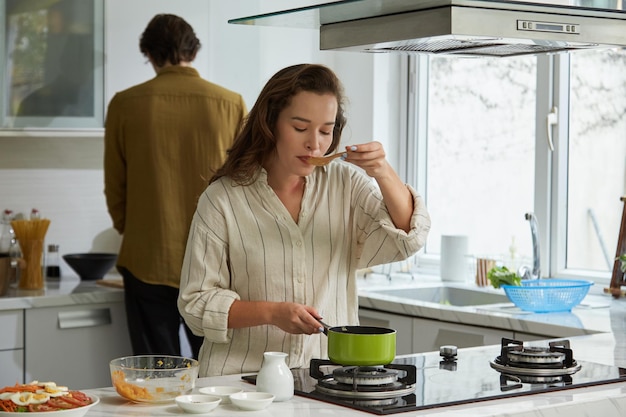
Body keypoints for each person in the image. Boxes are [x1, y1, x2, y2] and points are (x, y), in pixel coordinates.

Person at [177, 63, 430, 376]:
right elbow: (196, 303)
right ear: (271, 122)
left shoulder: (346, 185)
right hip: (240, 383)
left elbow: (407, 238)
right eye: (300, 128)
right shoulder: (222, 199)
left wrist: (382, 171)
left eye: (326, 131)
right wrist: (271, 312)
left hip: (328, 382)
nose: (315, 144)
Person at [104, 14, 247, 359]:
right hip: (215, 264)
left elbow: (115, 186)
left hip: (147, 258)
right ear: (193, 51)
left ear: (149, 55)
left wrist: (136, 231)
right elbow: (245, 184)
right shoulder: (230, 103)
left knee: (153, 376)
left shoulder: (124, 104)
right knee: (217, 371)